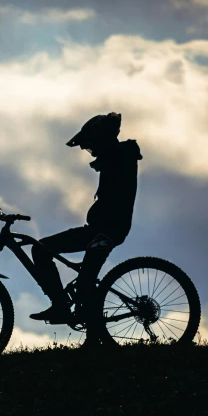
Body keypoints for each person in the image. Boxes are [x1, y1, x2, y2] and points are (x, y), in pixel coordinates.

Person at [29, 112, 142, 323]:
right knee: (41, 249)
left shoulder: (122, 155)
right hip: (96, 230)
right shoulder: (115, 156)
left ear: (103, 140)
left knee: (85, 284)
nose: (91, 152)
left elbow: (112, 159)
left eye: (92, 145)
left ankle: (92, 335)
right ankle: (61, 306)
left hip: (109, 231)